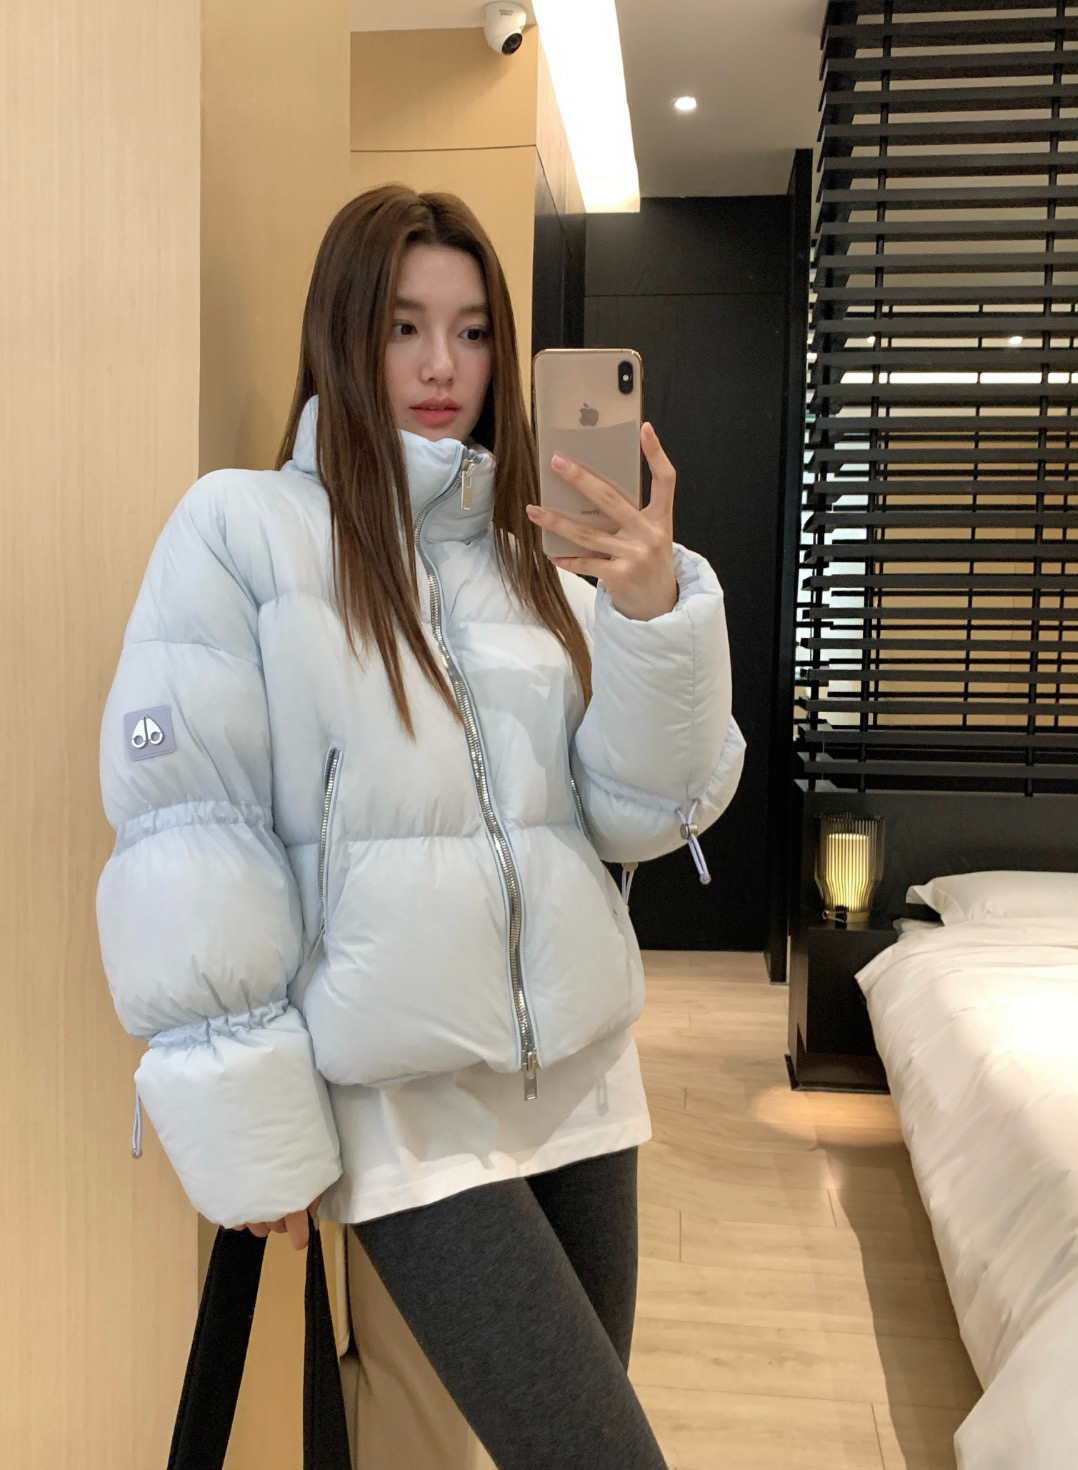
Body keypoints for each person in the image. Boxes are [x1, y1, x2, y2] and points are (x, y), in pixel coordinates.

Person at [96, 184, 745, 1469]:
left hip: (584, 1094)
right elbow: (190, 838)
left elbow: (636, 819)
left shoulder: (537, 557)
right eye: (404, 326)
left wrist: (653, 614)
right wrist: (255, 1137)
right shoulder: (243, 533)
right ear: (344, 333)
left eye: (473, 330)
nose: (442, 365)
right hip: (411, 1121)